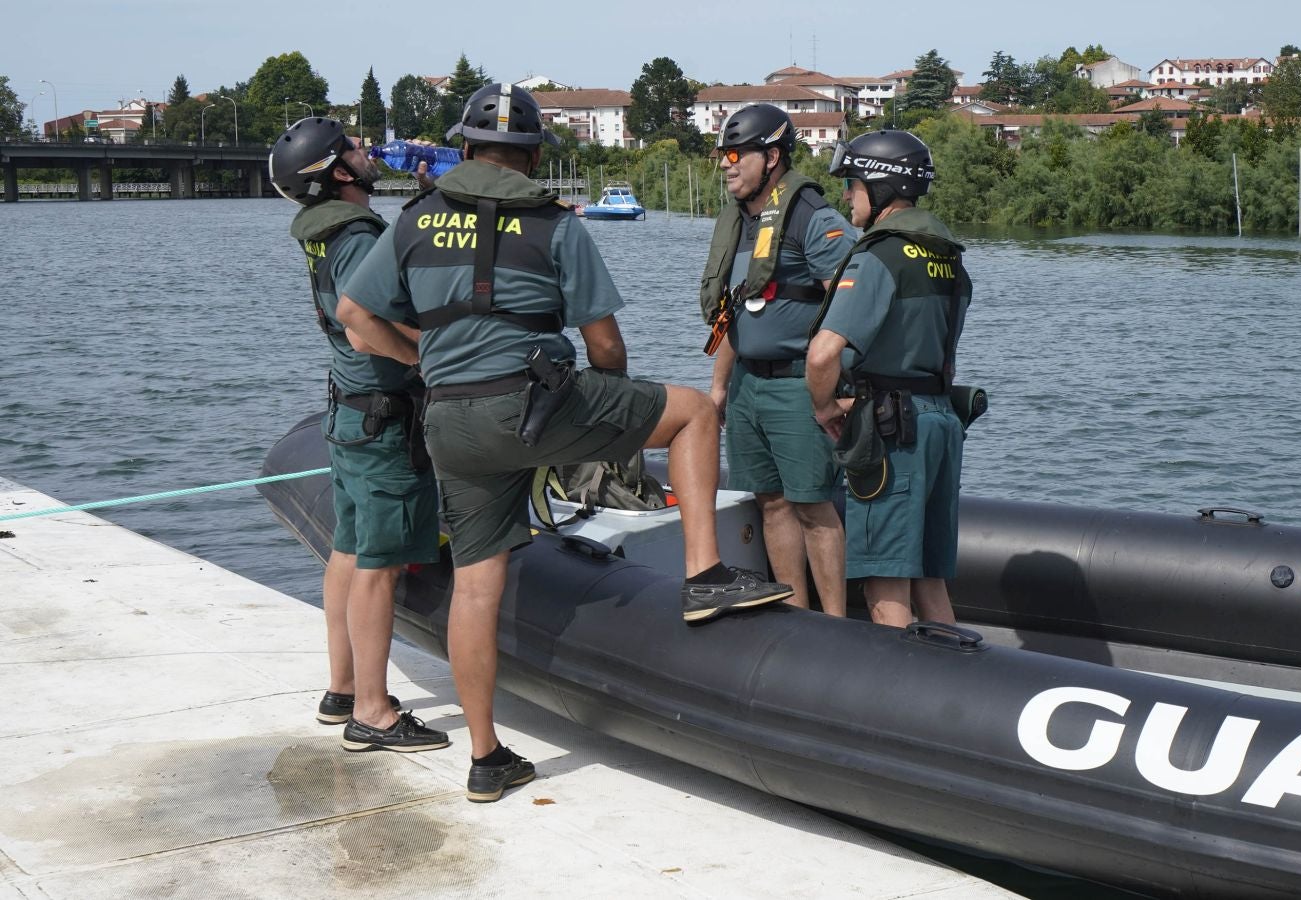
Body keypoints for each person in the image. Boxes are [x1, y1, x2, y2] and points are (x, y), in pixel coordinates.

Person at [337, 83, 793, 803]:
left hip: (451, 418)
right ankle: (706, 576)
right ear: (533, 154)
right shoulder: (555, 223)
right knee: (692, 414)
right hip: (537, 403)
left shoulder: (414, 220)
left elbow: (353, 314)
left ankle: (486, 758)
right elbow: (604, 344)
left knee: (478, 584)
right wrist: (614, 418)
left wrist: (421, 359)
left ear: (463, 148)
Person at [268, 117, 449, 753]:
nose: (367, 151)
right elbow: (358, 323)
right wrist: (424, 356)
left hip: (349, 412)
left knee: (347, 549)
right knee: (379, 564)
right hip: (382, 421)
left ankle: (342, 687)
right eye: (354, 148)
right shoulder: (358, 234)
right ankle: (372, 713)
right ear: (339, 173)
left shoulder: (326, 232)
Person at [806, 130, 972, 628]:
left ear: (879, 187)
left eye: (851, 185)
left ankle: (893, 693)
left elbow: (821, 356)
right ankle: (950, 681)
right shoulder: (948, 256)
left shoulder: (879, 256)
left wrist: (825, 410)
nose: (845, 196)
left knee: (885, 577)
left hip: (894, 429)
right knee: (928, 575)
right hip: (942, 422)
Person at [700, 104, 856, 617]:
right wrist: (719, 390)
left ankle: (835, 624)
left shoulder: (813, 217)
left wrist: (837, 390)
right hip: (747, 386)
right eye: (722, 155)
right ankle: (795, 616)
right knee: (770, 502)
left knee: (813, 506)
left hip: (797, 387)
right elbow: (732, 313)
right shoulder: (738, 222)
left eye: (734, 154)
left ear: (770, 156)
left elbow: (851, 307)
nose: (725, 164)